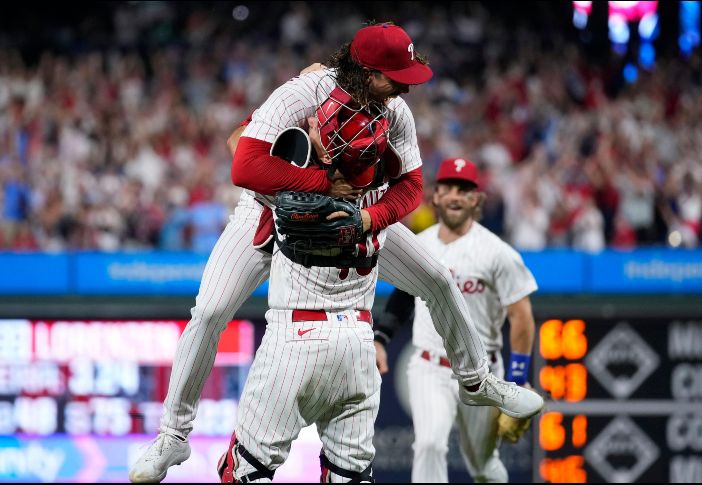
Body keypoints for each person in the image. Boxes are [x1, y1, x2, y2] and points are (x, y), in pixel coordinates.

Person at [130, 23, 542, 483]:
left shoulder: (395, 110)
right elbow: (242, 160)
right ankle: (173, 434)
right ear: (365, 71)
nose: (404, 83)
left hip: (354, 213)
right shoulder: (305, 92)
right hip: (268, 211)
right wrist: (323, 184)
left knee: (439, 279)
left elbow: (411, 188)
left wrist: (369, 218)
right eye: (394, 73)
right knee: (208, 312)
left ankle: (476, 381)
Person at [373, 157, 539, 483]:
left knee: (484, 465)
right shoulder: (420, 245)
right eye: (447, 187)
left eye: (463, 190)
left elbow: (521, 316)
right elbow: (404, 296)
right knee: (430, 445)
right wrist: (381, 338)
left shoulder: (497, 252)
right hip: (429, 367)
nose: (454, 196)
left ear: (476, 198)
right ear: (435, 196)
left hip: (483, 373)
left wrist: (518, 377)